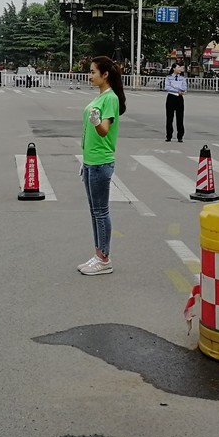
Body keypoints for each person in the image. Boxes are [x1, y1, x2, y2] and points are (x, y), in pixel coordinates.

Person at [78, 56, 126, 276]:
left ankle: (104, 258)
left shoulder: (110, 99)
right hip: (90, 161)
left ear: (105, 75)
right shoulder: (101, 97)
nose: (90, 76)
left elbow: (104, 130)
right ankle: (98, 254)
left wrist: (97, 121)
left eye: (93, 72)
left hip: (100, 162)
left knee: (100, 211)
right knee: (94, 211)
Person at [162, 63, 187, 142]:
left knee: (180, 117)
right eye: (179, 67)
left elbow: (184, 87)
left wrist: (175, 87)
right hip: (171, 97)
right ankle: (169, 135)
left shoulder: (182, 78)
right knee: (169, 118)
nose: (180, 69)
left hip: (179, 98)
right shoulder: (168, 78)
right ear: (174, 68)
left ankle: (180, 136)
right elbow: (167, 87)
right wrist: (177, 90)